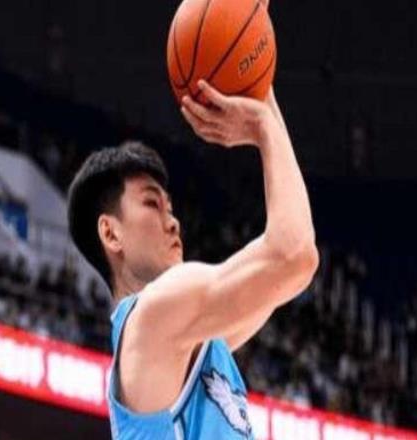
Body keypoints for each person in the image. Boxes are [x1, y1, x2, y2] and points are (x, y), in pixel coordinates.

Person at [67, 9, 317, 440]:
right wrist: (262, 126)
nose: (173, 222)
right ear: (110, 233)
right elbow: (294, 255)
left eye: (170, 207)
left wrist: (260, 86)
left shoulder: (187, 341)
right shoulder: (153, 318)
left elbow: (288, 271)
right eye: (152, 204)